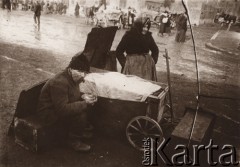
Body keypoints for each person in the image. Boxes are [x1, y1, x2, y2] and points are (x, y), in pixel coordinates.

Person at [36, 53, 97, 152]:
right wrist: (85, 103)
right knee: (81, 114)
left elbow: (70, 95)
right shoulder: (59, 82)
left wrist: (83, 96)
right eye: (81, 71)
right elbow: (62, 110)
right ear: (70, 69)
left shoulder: (71, 77)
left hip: (56, 109)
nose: (83, 76)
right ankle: (73, 141)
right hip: (48, 115)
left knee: (83, 107)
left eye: (85, 72)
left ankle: (78, 131)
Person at [116, 17, 159, 81]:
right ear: (138, 26)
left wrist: (152, 62)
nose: (146, 29)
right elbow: (119, 51)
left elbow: (155, 50)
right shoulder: (128, 35)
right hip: (131, 65)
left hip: (145, 66)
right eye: (144, 27)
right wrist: (125, 63)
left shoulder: (148, 36)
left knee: (145, 85)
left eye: (147, 27)